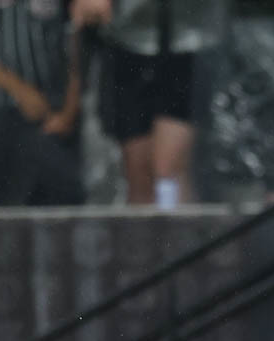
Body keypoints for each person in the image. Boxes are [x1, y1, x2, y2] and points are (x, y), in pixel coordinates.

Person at [72, 0, 219, 207]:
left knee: (168, 168)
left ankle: (180, 236)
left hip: (189, 34)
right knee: (138, 170)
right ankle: (148, 237)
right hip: (128, 35)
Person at [0, 0, 84, 206]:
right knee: (6, 206)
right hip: (1, 113)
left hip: (54, 114)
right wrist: (19, 90)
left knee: (63, 201)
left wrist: (69, 110)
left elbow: (76, 43)